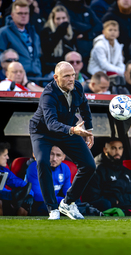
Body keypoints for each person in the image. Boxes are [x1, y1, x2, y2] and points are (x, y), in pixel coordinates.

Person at [29, 61, 96, 220]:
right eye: (67, 76)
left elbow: (85, 107)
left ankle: (68, 202)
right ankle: (52, 208)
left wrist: (90, 131)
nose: (72, 79)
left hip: (67, 127)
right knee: (43, 162)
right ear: (56, 78)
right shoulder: (48, 94)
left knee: (89, 165)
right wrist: (73, 130)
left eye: (73, 75)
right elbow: (51, 124)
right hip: (42, 132)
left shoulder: (78, 87)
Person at [82, 138, 131, 215]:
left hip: (124, 204)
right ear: (105, 150)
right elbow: (92, 196)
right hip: (106, 205)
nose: (117, 151)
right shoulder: (97, 170)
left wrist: (120, 200)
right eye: (113, 148)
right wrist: (114, 201)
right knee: (106, 204)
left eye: (120, 148)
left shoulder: (126, 172)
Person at [0, 0, 42, 78]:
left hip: (37, 77)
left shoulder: (34, 34)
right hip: (16, 78)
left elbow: (38, 57)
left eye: (26, 13)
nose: (23, 16)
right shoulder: (3, 32)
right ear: (12, 14)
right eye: (20, 13)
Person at [25, 146, 72, 216]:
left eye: (58, 155)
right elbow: (38, 196)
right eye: (51, 154)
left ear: (63, 157)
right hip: (38, 204)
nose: (54, 159)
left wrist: (69, 202)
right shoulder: (34, 167)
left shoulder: (65, 168)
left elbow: (68, 193)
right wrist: (63, 201)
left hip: (55, 203)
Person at [57, 0, 103, 71]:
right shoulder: (62, 7)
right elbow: (72, 24)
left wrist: (86, 35)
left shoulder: (85, 8)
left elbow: (99, 26)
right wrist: (90, 27)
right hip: (74, 52)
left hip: (89, 53)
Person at [40, 5, 76, 75]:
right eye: (58, 19)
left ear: (67, 18)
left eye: (63, 18)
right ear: (53, 19)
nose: (61, 21)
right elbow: (47, 51)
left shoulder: (71, 34)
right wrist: (59, 32)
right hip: (52, 70)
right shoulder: (46, 32)